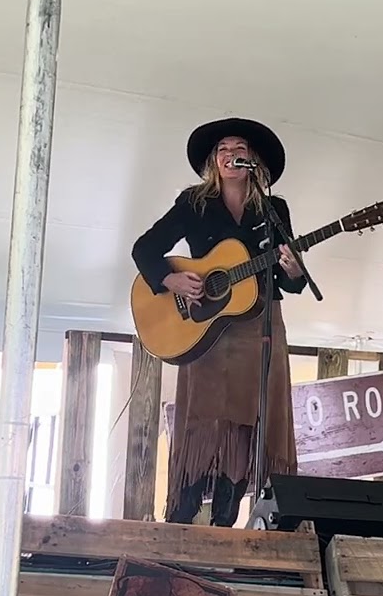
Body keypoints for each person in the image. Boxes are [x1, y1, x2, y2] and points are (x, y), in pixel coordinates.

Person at [131, 117, 308, 527]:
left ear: (253, 160)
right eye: (223, 149)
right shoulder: (194, 202)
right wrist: (171, 279)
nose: (231, 155)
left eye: (239, 148)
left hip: (258, 323)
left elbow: (287, 278)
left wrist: (295, 270)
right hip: (205, 326)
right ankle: (182, 514)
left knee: (247, 421)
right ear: (214, 161)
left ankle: (227, 519)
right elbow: (145, 249)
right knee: (203, 419)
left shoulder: (273, 209)